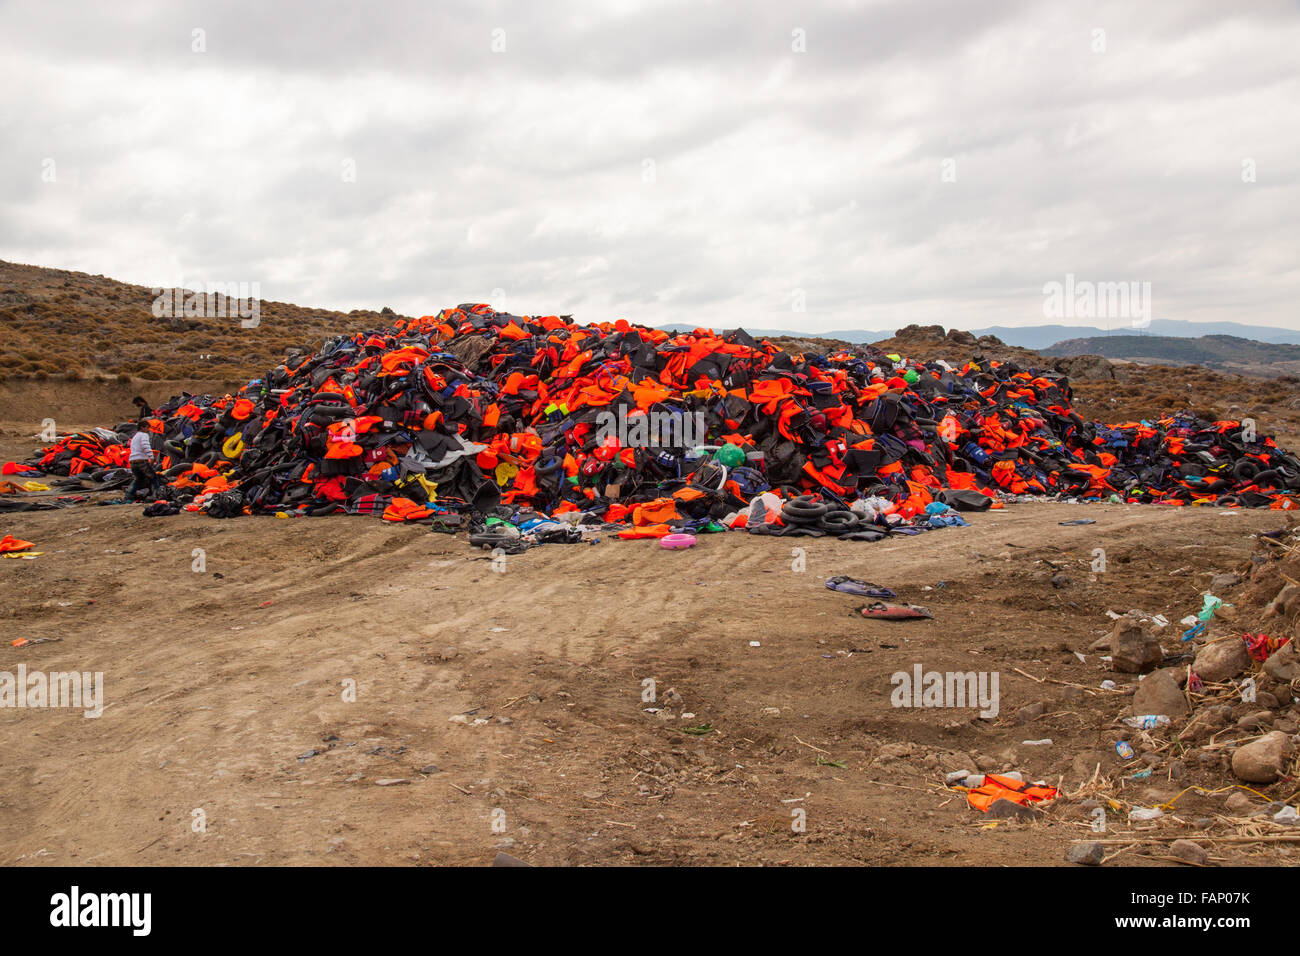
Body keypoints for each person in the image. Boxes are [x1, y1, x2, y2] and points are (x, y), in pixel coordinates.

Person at [128, 419, 159, 501]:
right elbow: (145, 446)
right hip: (141, 461)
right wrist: (151, 457)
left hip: (132, 462)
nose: (148, 430)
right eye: (147, 428)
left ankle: (128, 496)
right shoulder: (143, 435)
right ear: (142, 427)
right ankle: (157, 495)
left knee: (138, 479)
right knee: (154, 478)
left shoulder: (135, 436)